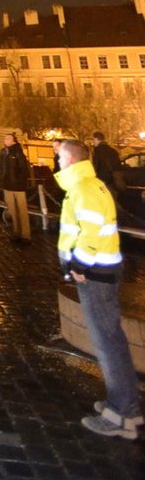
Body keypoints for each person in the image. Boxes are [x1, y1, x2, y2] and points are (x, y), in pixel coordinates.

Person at [55, 139, 142, 439]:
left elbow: (90, 232)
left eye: (60, 158)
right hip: (100, 273)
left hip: (94, 276)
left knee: (108, 344)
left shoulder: (84, 189)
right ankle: (125, 405)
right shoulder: (91, 185)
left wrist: (77, 266)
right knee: (111, 340)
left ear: (70, 160)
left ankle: (123, 415)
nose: (57, 163)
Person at [0, 132, 31, 241]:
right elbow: (1, 167)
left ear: (14, 140)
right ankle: (17, 232)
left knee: (22, 210)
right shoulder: (3, 152)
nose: (6, 140)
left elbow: (23, 169)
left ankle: (25, 235)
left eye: (8, 138)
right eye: (5, 138)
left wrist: (20, 182)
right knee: (12, 210)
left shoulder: (18, 152)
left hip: (18, 186)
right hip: (7, 185)